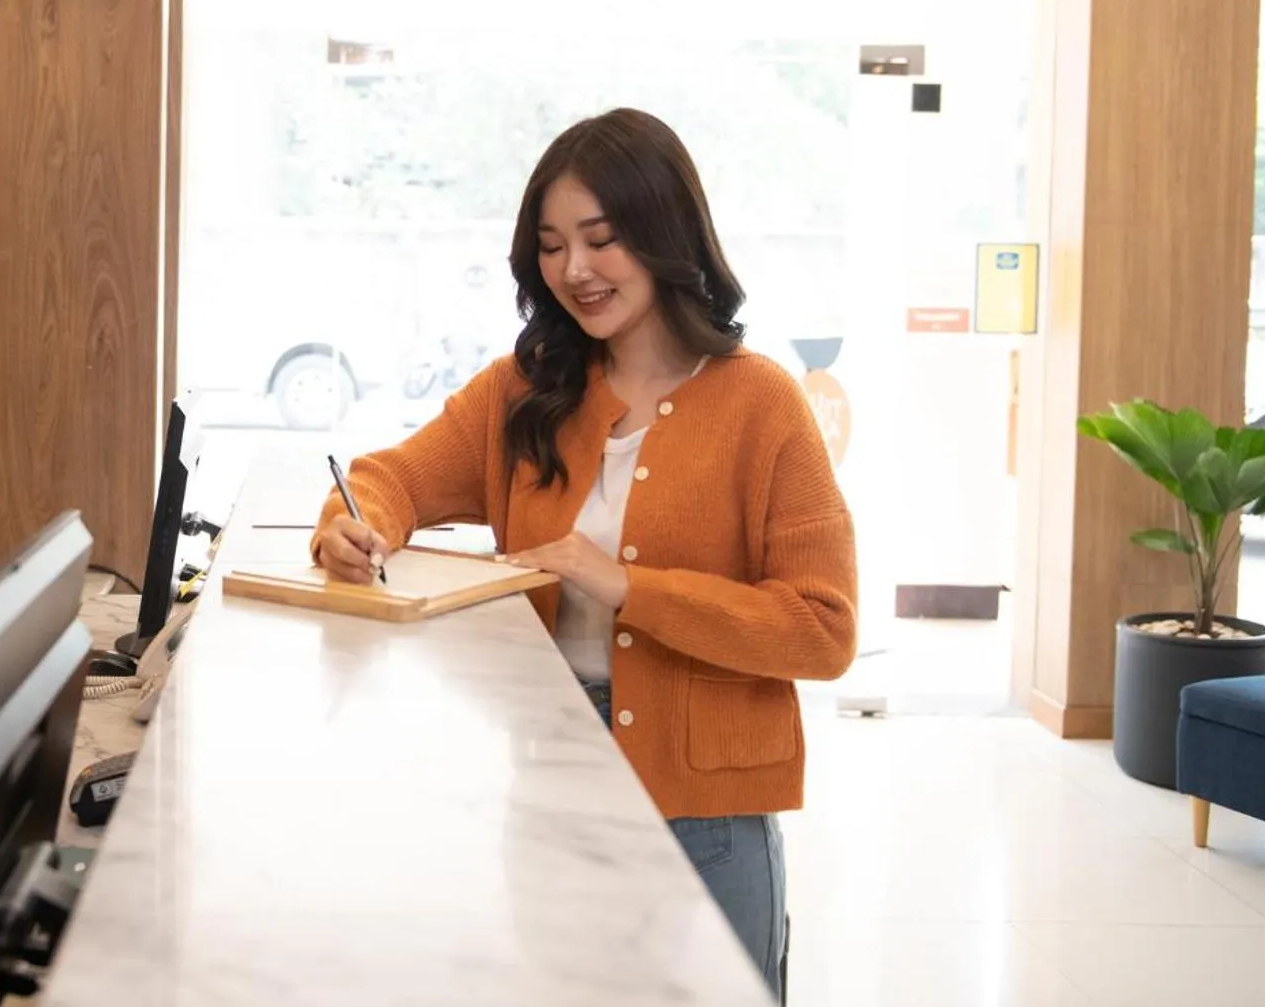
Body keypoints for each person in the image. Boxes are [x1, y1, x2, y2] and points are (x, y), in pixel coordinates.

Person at [313, 108, 857, 996]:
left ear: (664, 233)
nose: (574, 270)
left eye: (601, 240)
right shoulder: (525, 391)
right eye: (553, 244)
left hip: (705, 817)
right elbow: (391, 478)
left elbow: (822, 630)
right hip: (549, 777)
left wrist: (630, 587)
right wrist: (352, 522)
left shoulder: (764, 405)